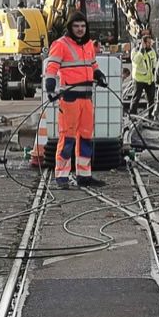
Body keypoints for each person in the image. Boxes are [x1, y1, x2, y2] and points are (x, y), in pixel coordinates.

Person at [44, 11, 108, 190]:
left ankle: (84, 175)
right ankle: (62, 176)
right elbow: (51, 68)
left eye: (83, 26)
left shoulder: (88, 44)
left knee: (86, 138)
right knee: (68, 137)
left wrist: (99, 75)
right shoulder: (60, 45)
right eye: (76, 26)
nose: (80, 30)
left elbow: (92, 65)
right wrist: (50, 88)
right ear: (70, 27)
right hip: (70, 99)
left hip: (86, 99)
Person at [129, 35, 157, 116]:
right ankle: (132, 114)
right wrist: (141, 51)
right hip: (139, 79)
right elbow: (136, 62)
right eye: (148, 42)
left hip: (149, 79)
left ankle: (150, 114)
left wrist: (154, 71)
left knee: (151, 99)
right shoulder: (135, 51)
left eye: (150, 42)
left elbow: (154, 62)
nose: (150, 44)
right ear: (143, 43)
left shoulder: (152, 51)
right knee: (136, 98)